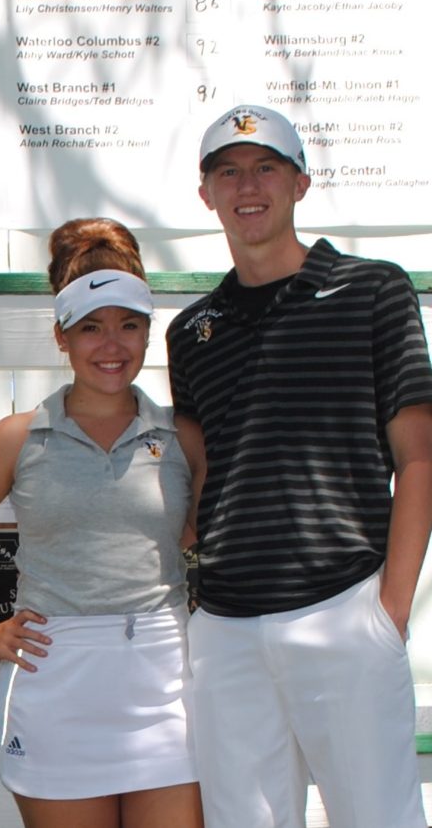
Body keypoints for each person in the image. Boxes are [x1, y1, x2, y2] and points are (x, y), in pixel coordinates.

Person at [169, 104, 432, 827]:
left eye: (266, 168)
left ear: (300, 184)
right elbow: (200, 477)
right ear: (206, 194)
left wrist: (391, 610)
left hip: (344, 610)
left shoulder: (374, 290)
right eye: (228, 172)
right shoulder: (191, 331)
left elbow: (418, 455)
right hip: (225, 628)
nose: (247, 186)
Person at [0, 218, 202, 826]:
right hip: (55, 679)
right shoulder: (17, 438)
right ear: (60, 336)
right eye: (90, 327)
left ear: (149, 332)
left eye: (128, 325)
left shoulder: (184, 435)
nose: (111, 345)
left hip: (167, 684)